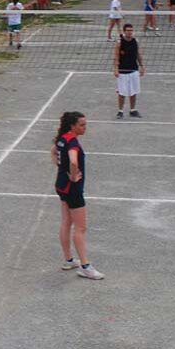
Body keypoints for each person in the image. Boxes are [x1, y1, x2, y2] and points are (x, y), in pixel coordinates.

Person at [54, 112, 103, 280]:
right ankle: (85, 266)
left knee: (66, 222)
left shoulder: (62, 138)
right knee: (80, 228)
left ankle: (69, 260)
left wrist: (62, 169)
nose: (85, 127)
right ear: (72, 125)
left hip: (61, 185)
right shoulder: (73, 143)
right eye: (82, 125)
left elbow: (54, 152)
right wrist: (74, 176)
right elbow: (73, 161)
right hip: (72, 189)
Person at [113, 24, 144, 119]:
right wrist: (116, 69)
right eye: (128, 30)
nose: (130, 32)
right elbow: (116, 56)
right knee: (122, 93)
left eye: (131, 30)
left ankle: (132, 110)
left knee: (133, 92)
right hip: (122, 71)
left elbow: (138, 54)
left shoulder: (135, 41)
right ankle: (120, 111)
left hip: (133, 70)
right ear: (124, 31)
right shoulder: (119, 42)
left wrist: (141, 66)